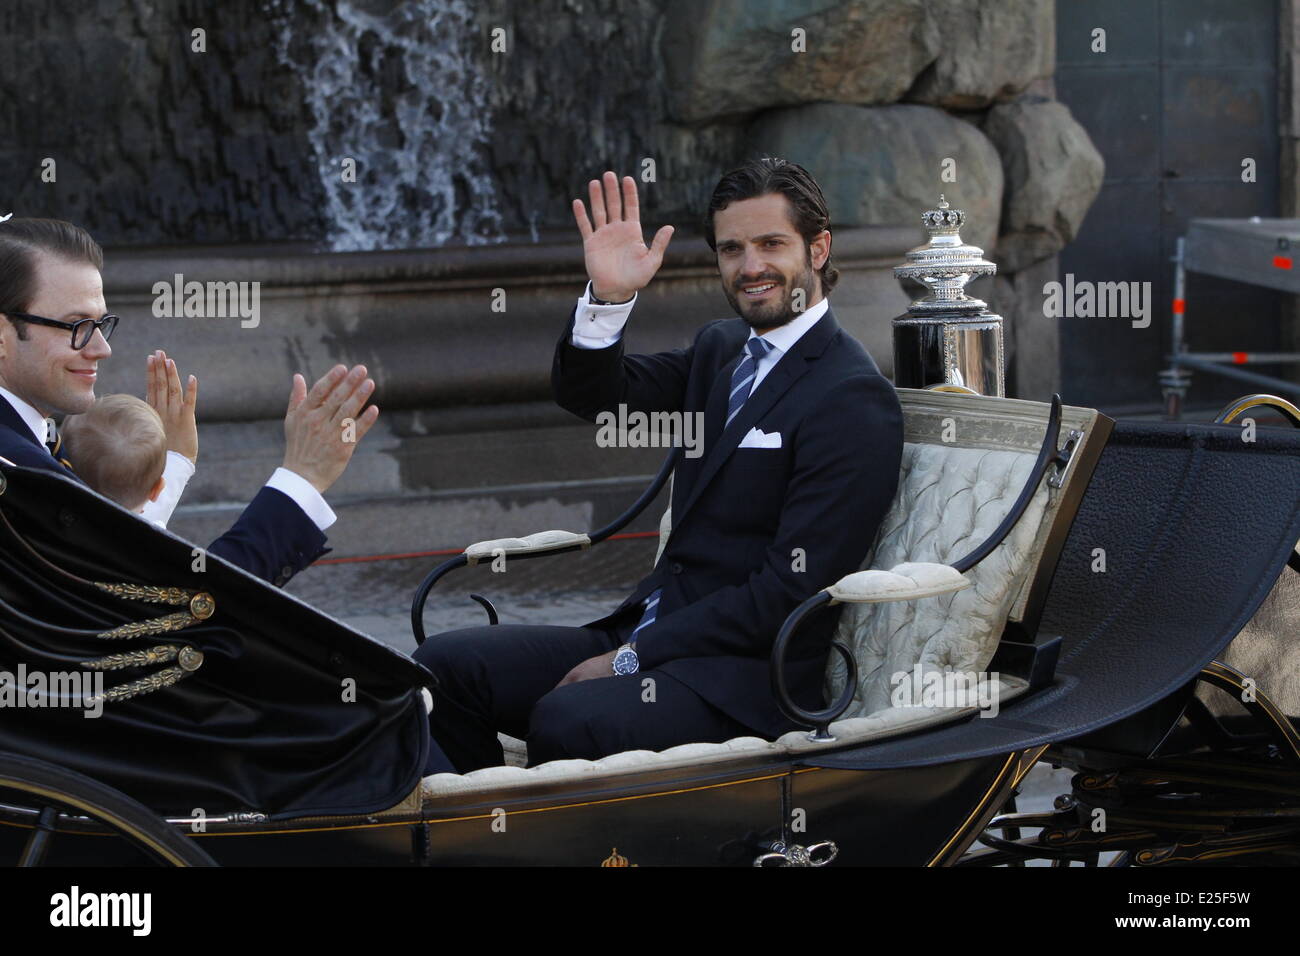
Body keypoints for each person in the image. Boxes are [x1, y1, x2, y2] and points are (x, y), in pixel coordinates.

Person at [415, 158, 904, 771]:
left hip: (744, 679)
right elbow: (596, 397)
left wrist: (631, 659)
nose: (750, 267)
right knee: (445, 669)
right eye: (731, 249)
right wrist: (609, 299)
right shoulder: (721, 349)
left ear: (818, 247)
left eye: (771, 244)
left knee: (567, 717)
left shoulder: (851, 396)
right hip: (646, 635)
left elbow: (791, 589)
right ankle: (472, 835)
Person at [0, 217, 377, 587]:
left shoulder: (24, 450)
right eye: (77, 326)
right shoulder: (27, 475)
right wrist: (302, 477)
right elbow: (185, 609)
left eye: (101, 324)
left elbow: (121, 567)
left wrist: (173, 468)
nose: (102, 349)